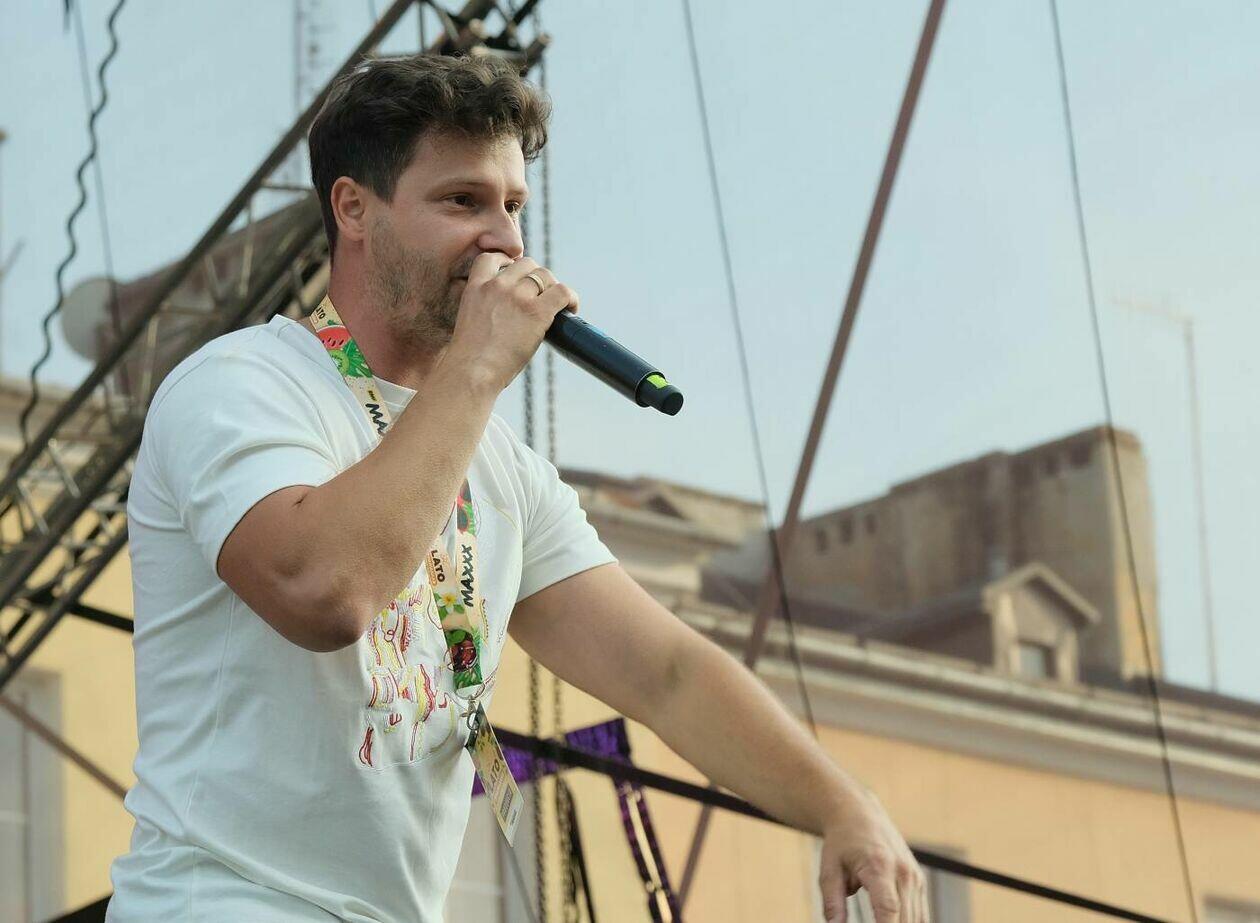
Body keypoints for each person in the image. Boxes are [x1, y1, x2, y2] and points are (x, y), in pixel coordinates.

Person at [106, 53, 928, 923]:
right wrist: (478, 364)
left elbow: (668, 673)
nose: (503, 240)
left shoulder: (501, 466)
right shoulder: (240, 385)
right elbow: (324, 589)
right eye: (462, 201)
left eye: (513, 206)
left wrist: (844, 805)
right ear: (353, 208)